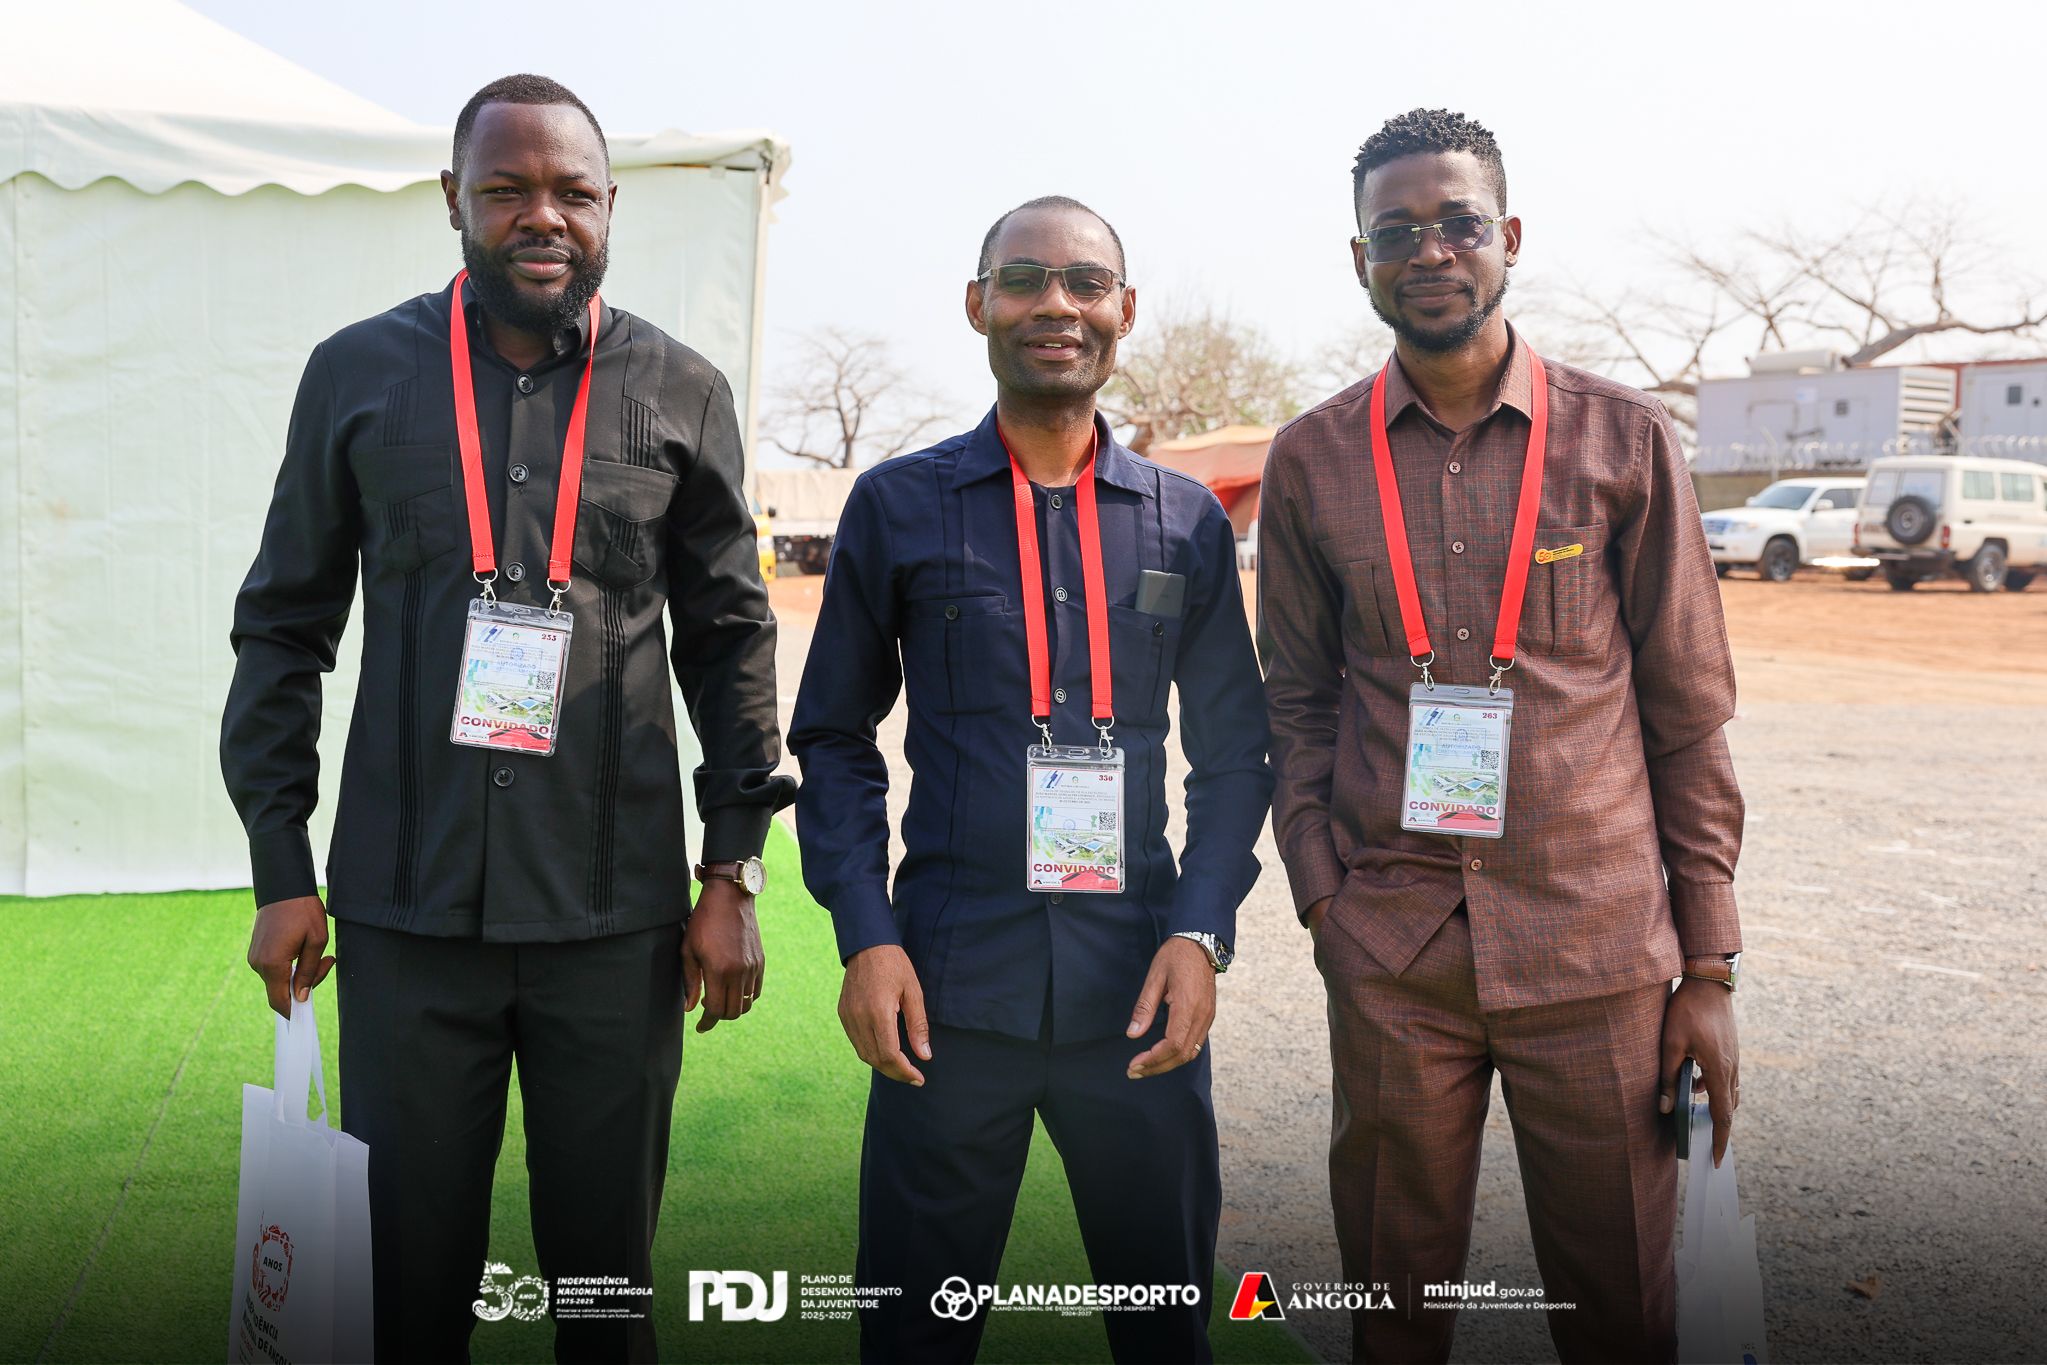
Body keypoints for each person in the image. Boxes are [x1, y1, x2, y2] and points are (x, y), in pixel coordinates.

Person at [219, 73, 793, 1363]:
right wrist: (280, 867)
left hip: (615, 926)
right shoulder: (358, 374)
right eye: (508, 188)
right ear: (452, 200)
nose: (545, 215)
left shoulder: (682, 389)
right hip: (409, 916)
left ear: (609, 207)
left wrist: (733, 872)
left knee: (603, 1291)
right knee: (405, 1293)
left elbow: (730, 641)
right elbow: (284, 627)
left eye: (573, 191)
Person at [1259, 108, 1744, 1363]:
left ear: (1509, 237)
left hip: (1594, 951)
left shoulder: (1623, 438)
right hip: (1394, 951)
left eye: (1458, 223)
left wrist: (1707, 969)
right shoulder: (1310, 460)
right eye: (1395, 232)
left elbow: (1688, 713)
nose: (1429, 252)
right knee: (1392, 1306)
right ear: (1359, 259)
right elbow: (1296, 705)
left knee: (1619, 1307)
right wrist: (1325, 901)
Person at [789, 196, 1273, 1363]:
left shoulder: (1186, 522)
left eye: (1084, 282)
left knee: (1164, 1333)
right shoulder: (898, 506)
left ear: (1124, 310)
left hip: (1138, 994)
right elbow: (835, 737)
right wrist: (866, 937)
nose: (1056, 305)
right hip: (947, 996)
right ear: (978, 305)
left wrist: (1200, 933)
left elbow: (1233, 754)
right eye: (1023, 280)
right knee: (914, 1334)